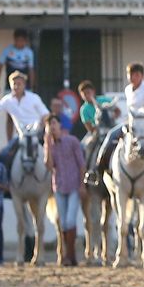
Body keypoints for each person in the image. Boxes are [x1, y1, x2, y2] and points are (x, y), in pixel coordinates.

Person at [87, 63, 144, 191]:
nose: (133, 77)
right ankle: (97, 170)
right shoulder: (128, 89)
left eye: (137, 75)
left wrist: (143, 120)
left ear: (142, 76)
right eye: (131, 75)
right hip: (132, 124)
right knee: (110, 137)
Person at [43, 113, 86, 267]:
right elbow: (49, 166)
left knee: (69, 221)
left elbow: (81, 164)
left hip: (74, 186)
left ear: (60, 125)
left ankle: (70, 255)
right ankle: (70, 257)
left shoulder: (72, 141)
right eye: (49, 125)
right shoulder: (49, 146)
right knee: (62, 222)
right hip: (59, 187)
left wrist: (82, 185)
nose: (52, 127)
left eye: (54, 123)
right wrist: (47, 145)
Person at [0, 70, 49, 172]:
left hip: (38, 134)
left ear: (24, 85)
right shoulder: (7, 100)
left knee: (52, 154)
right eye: (14, 84)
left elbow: (45, 115)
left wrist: (45, 130)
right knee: (4, 156)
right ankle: (7, 184)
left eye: (19, 84)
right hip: (21, 136)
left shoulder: (34, 98)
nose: (16, 86)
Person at [0, 27, 35, 92]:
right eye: (17, 40)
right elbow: (0, 67)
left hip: (25, 88)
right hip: (9, 87)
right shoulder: (7, 50)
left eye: (22, 40)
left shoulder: (29, 52)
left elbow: (31, 70)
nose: (19, 43)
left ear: (25, 41)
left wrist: (32, 87)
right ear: (14, 39)